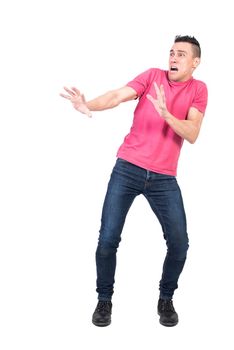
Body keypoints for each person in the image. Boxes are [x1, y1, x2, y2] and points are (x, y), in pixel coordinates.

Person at [60, 35, 208, 327]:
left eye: (181, 54)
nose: (173, 58)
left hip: (164, 178)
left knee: (179, 244)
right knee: (108, 239)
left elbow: (192, 133)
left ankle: (166, 299)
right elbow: (116, 96)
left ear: (195, 62)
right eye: (171, 53)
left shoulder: (199, 89)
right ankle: (104, 301)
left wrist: (166, 114)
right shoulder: (152, 76)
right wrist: (88, 103)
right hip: (128, 168)